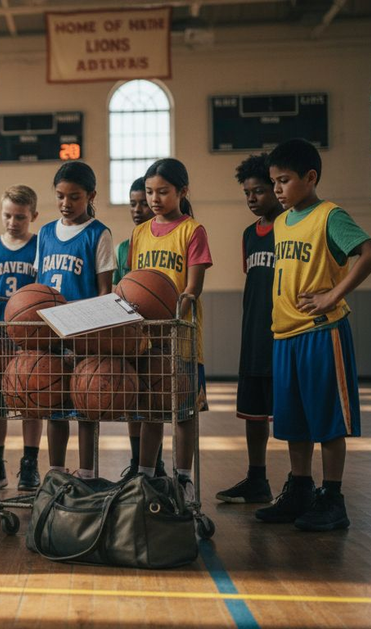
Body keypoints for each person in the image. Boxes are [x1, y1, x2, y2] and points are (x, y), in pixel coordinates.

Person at [255, 139, 371, 531]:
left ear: (310, 178)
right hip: (284, 333)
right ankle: (300, 490)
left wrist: (333, 295)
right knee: (294, 422)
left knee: (327, 421)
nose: (277, 189)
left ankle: (333, 498)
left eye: (284, 180)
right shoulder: (281, 222)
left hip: (321, 331)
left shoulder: (330, 215)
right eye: (274, 182)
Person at [130, 158, 213, 503]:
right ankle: (145, 475)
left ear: (182, 191)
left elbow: (193, 288)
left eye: (162, 191)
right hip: (147, 338)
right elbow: (133, 284)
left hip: (181, 337)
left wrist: (171, 316)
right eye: (150, 192)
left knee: (183, 412)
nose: (154, 199)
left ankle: (184, 478)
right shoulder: (139, 233)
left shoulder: (192, 230)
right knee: (151, 409)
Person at [34, 162, 116, 479]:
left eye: (74, 197)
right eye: (60, 196)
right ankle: (55, 471)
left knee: (86, 404)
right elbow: (39, 285)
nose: (66, 203)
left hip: (84, 332)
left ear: (91, 196)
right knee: (53, 404)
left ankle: (87, 473)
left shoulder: (99, 233)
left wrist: (94, 330)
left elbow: (105, 291)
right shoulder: (45, 233)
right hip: (50, 330)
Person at [215, 154, 283, 504]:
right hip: (254, 332)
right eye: (247, 193)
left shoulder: (291, 227)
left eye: (259, 191)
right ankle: (257, 479)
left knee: (290, 412)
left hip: (285, 334)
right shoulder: (248, 235)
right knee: (253, 413)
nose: (252, 198)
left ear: (276, 187)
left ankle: (302, 483)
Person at [0, 185, 42, 490]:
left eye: (20, 217)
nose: (13, 222)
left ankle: (30, 463)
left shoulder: (40, 246)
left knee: (34, 400)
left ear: (33, 216)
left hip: (29, 337)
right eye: (7, 215)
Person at [115, 177, 162, 480]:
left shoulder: (164, 239)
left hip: (160, 332)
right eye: (132, 203)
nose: (137, 209)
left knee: (156, 401)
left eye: (142, 203)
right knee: (133, 397)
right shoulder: (124, 247)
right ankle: (136, 462)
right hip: (132, 333)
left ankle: (154, 464)